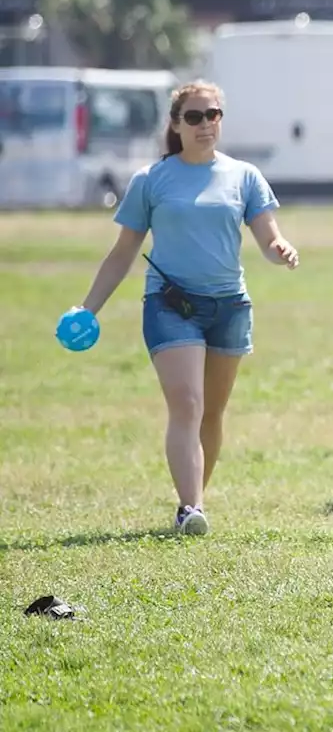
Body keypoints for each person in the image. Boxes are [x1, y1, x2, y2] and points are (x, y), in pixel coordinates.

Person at [74, 80, 298, 535]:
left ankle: (192, 501)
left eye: (212, 114)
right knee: (187, 404)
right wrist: (88, 308)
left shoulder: (244, 176)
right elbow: (122, 253)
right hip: (170, 303)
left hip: (229, 307)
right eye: (194, 117)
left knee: (212, 413)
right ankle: (191, 508)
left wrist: (280, 248)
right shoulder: (152, 180)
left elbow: (267, 235)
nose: (204, 124)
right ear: (175, 124)